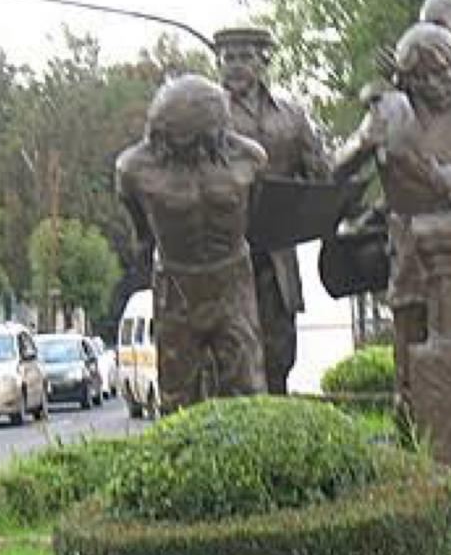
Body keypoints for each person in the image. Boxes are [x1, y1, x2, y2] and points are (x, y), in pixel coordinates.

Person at [333, 23, 451, 403]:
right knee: (412, 348)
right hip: (410, 248)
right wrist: (361, 145)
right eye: (422, 78)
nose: (435, 84)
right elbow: (333, 171)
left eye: (442, 73)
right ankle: (412, 427)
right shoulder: (389, 114)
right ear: (407, 81)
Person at [114, 74, 269, 414]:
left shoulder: (250, 159)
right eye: (180, 140)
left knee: (247, 384)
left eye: (199, 139)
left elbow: (251, 218)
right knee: (176, 390)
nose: (190, 149)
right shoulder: (133, 169)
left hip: (231, 277)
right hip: (175, 280)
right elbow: (142, 228)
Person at [213, 27, 332, 395]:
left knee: (279, 349)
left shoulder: (292, 117)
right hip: (225, 250)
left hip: (278, 253)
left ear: (263, 61)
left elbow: (321, 175)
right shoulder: (206, 115)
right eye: (228, 58)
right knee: (229, 348)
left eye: (245, 57)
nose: (235, 66)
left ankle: (276, 419)